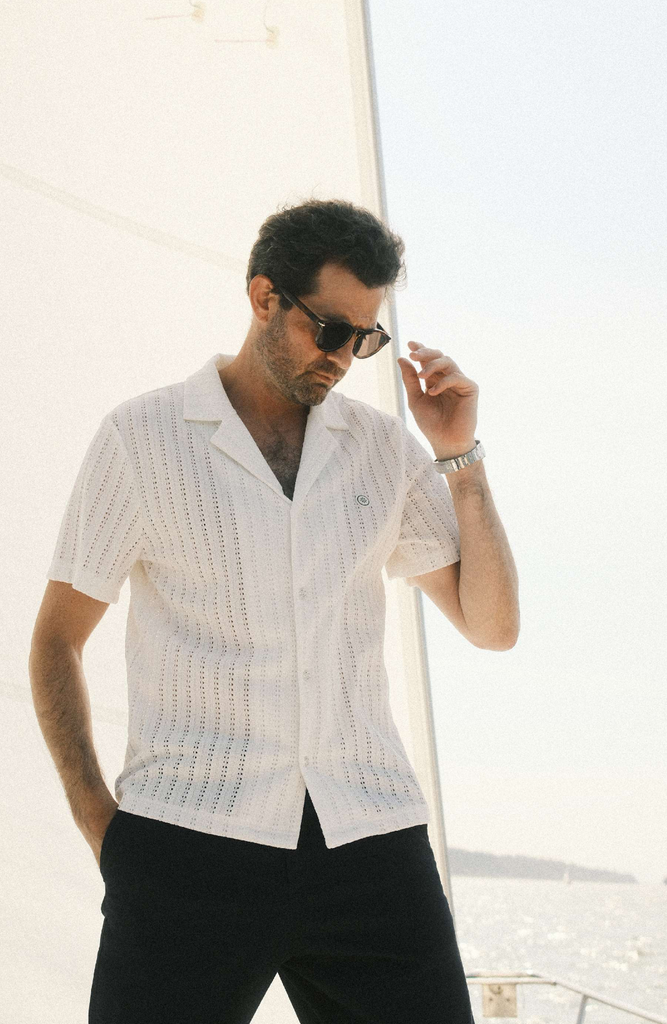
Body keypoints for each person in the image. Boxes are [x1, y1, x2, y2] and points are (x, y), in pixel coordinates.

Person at [30, 198, 518, 1022]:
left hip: (369, 841)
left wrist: (457, 457)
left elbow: (492, 626)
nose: (344, 357)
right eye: (330, 330)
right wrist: (102, 827)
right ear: (264, 298)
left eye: (364, 338)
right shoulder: (142, 438)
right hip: (186, 844)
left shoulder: (382, 450)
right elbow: (56, 641)